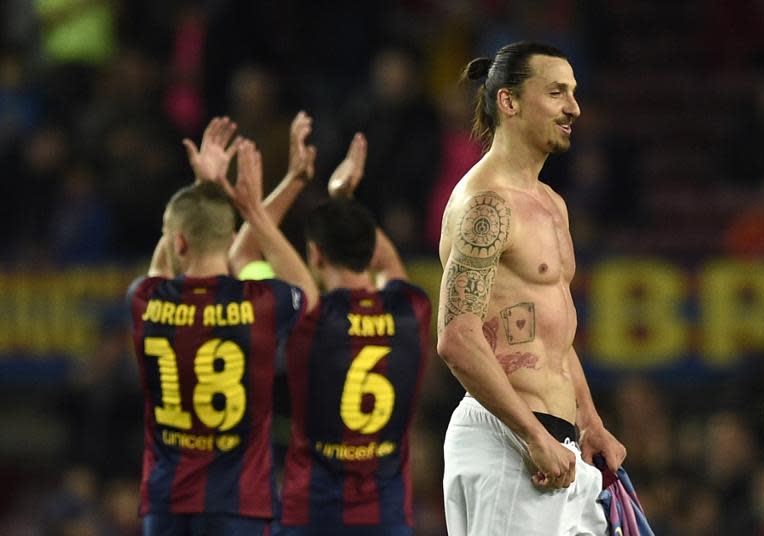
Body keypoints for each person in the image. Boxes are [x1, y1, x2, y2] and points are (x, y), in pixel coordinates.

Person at [436, 41, 627, 535]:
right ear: (509, 101)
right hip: (508, 441)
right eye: (557, 92)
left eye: (574, 93)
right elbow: (457, 337)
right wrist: (532, 436)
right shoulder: (486, 205)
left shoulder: (550, 204)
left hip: (557, 446)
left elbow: (554, 333)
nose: (574, 108)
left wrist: (589, 420)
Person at [233, 127, 433, 535]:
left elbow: (244, 253)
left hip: (313, 516)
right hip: (386, 517)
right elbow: (385, 260)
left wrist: (270, 197)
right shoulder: (411, 307)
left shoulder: (307, 314)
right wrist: (343, 198)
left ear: (316, 254)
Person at [128, 133, 318, 535]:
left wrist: (203, 190)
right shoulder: (259, 304)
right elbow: (309, 294)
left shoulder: (146, 299)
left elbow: (168, 253)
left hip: (167, 503)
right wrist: (255, 213)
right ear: (232, 239)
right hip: (240, 504)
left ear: (178, 242)